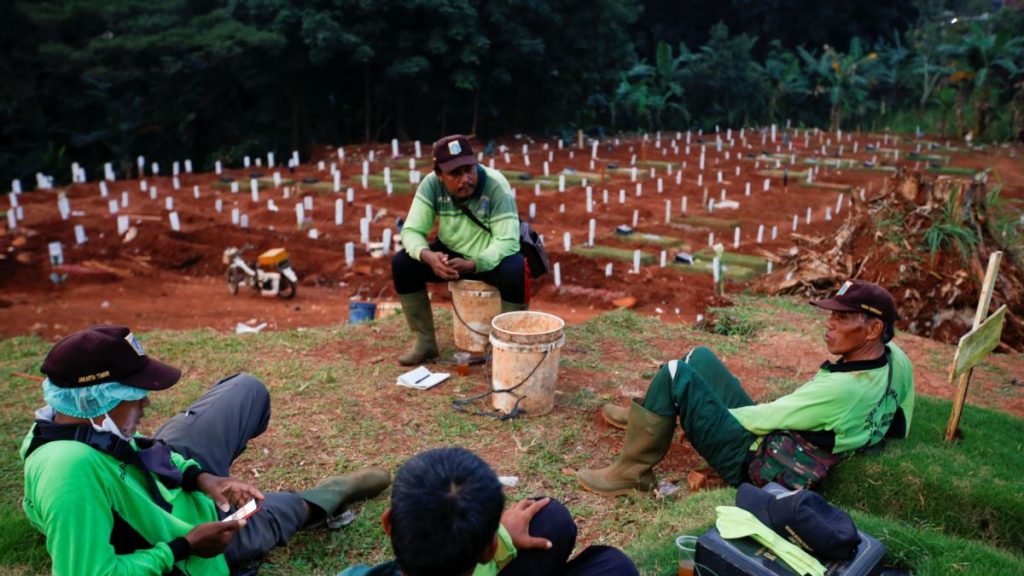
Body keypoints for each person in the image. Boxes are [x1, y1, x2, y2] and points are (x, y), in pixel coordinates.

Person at [21, 325, 392, 575]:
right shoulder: (68, 472)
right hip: (198, 542)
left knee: (245, 390)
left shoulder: (73, 422)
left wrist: (201, 477)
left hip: (164, 479)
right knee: (279, 510)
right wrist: (185, 546)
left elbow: (138, 449)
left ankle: (205, 476)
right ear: (96, 400)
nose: (146, 403)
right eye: (135, 396)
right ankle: (327, 495)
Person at [577, 280, 915, 496]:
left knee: (675, 372)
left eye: (842, 318)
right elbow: (901, 417)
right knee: (700, 357)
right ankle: (650, 419)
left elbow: (766, 416)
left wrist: (708, 420)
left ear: (873, 328)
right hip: (780, 439)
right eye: (832, 315)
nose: (829, 324)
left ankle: (631, 474)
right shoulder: (895, 358)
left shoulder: (844, 390)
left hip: (756, 463)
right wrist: (873, 434)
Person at [339, 447, 638, 576]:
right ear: (489, 549)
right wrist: (504, 537)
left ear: (388, 523)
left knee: (549, 518)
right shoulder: (489, 557)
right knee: (613, 566)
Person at [391, 134, 527, 365]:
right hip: (451, 252)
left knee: (515, 268)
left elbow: (507, 241)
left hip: (487, 255)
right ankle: (424, 342)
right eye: (455, 174)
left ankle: (507, 343)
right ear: (439, 175)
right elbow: (411, 231)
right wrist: (429, 256)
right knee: (403, 264)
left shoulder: (495, 184)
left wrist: (474, 263)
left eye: (469, 170)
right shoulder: (431, 185)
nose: (466, 179)